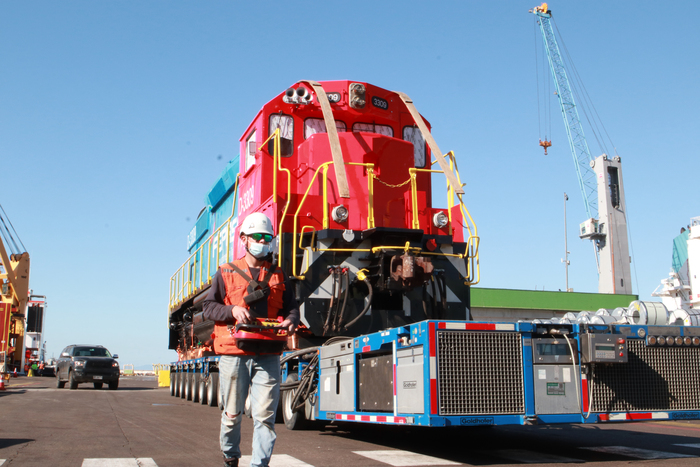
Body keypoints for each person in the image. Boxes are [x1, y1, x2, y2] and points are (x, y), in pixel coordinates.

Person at [202, 212, 299, 467]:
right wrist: (232, 310)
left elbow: (291, 308)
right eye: (257, 237)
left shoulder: (279, 274)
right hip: (234, 353)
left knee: (265, 417)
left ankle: (259, 464)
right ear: (243, 238)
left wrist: (291, 320)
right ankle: (230, 455)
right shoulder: (225, 272)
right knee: (232, 414)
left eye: (267, 238)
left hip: (268, 352)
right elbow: (208, 308)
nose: (262, 242)